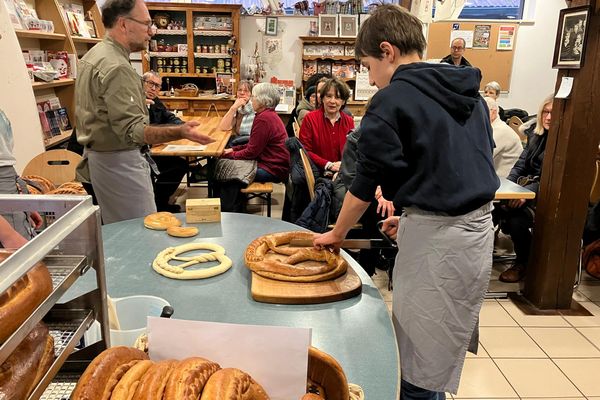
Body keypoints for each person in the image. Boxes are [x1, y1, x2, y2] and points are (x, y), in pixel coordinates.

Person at [314, 5, 499, 399]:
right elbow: (456, 166)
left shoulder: (393, 98)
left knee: (418, 367)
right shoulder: (468, 92)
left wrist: (337, 232)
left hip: (444, 245)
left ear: (388, 51)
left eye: (367, 66)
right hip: (475, 233)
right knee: (430, 353)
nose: (370, 77)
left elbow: (366, 181)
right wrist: (414, 214)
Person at [75, 0, 214, 224]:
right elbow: (133, 132)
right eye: (146, 24)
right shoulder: (117, 67)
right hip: (119, 165)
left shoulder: (93, 56)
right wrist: (180, 131)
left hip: (99, 161)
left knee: (120, 231)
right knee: (141, 234)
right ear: (123, 24)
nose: (150, 32)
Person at [494, 94, 553, 283]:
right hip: (524, 190)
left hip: (546, 198)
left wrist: (525, 195)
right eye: (545, 112)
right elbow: (520, 166)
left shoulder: (563, 144)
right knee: (489, 208)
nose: (548, 117)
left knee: (516, 219)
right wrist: (510, 188)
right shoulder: (536, 136)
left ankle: (523, 263)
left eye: (553, 113)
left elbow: (550, 180)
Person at [216, 83, 290, 212]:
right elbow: (254, 143)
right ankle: (233, 208)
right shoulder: (267, 115)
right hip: (271, 163)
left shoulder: (264, 119)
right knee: (227, 166)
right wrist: (233, 150)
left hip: (273, 168)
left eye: (254, 97)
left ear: (263, 101)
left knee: (229, 174)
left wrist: (229, 155)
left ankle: (231, 213)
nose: (252, 100)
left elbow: (251, 152)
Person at [142, 71, 188, 213]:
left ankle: (160, 202)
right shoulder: (135, 102)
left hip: (154, 150)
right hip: (138, 153)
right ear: (142, 83)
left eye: (158, 86)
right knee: (173, 166)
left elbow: (170, 118)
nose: (154, 89)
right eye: (151, 84)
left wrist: (183, 127)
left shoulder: (156, 102)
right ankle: (155, 204)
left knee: (180, 165)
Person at [299, 78, 354, 177]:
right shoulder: (310, 119)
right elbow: (305, 150)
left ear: (343, 101)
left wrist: (342, 167)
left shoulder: (349, 121)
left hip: (342, 173)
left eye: (338, 97)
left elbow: (352, 151)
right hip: (318, 173)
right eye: (328, 96)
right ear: (322, 98)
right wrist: (328, 165)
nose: (332, 101)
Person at [0, 109, 42, 239]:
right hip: (5, 188)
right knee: (22, 255)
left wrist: (24, 200)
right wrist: (8, 235)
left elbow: (4, 156)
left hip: (10, 183)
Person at [484, 97, 522, 178]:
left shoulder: (501, 131)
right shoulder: (490, 127)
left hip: (505, 181)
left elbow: (482, 157)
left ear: (493, 113)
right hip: (493, 177)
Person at [218, 80, 255, 146]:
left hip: (250, 141)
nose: (242, 93)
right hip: (239, 139)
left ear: (251, 94)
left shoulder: (255, 107)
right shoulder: (238, 107)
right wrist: (233, 108)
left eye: (246, 91)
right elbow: (224, 127)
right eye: (239, 90)